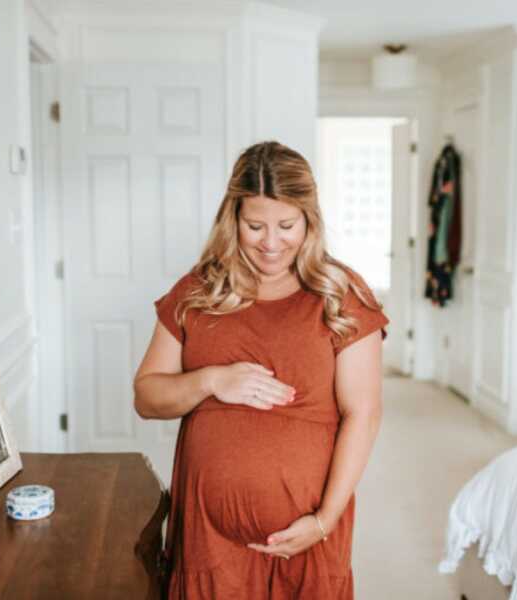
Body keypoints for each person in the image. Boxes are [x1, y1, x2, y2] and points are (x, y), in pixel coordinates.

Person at [134, 141, 388, 599]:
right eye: (255, 226)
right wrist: (212, 379)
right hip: (209, 543)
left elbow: (363, 415)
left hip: (306, 534)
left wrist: (324, 519)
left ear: (309, 220)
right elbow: (147, 397)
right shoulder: (198, 290)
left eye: (286, 225)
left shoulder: (341, 295)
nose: (271, 243)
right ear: (232, 219)